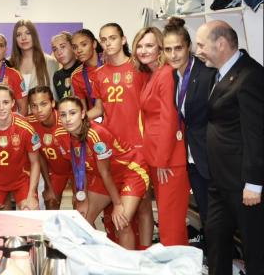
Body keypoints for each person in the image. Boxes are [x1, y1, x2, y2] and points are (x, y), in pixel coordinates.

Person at [195, 21, 263, 275]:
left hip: (244, 185)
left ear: (221, 44)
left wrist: (254, 184)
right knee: (216, 241)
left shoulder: (250, 76)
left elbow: (256, 134)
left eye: (201, 45)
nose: (198, 51)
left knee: (255, 249)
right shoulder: (218, 73)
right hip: (220, 182)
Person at [87, 23, 153, 247]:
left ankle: (145, 253)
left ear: (123, 40)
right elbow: (99, 109)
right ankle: (119, 254)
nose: (108, 43)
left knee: (144, 205)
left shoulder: (139, 68)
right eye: (104, 39)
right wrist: (75, 118)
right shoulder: (98, 74)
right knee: (118, 211)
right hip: (112, 149)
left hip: (138, 148)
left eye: (112, 38)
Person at [58, 96, 149, 250]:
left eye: (72, 113)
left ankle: (129, 263)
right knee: (83, 221)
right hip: (104, 176)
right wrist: (83, 198)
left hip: (131, 170)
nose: (68, 119)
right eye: (63, 115)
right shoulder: (62, 136)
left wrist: (117, 204)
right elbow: (80, 169)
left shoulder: (95, 134)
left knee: (121, 222)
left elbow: (105, 172)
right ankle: (97, 259)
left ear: (83, 114)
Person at [133, 26, 189, 246]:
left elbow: (169, 119)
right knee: (168, 222)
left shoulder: (166, 74)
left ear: (160, 49)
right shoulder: (152, 74)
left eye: (149, 45)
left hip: (169, 161)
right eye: (139, 45)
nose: (143, 50)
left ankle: (178, 263)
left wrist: (163, 160)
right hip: (158, 158)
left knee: (170, 224)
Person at [162, 17, 215, 244]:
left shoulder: (207, 73)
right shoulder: (175, 75)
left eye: (178, 48)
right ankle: (214, 258)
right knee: (207, 218)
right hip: (192, 159)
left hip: (213, 158)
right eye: (168, 49)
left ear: (188, 47)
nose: (173, 55)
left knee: (218, 220)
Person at [27, 86, 71, 210]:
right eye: (34, 106)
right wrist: (49, 186)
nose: (39, 110)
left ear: (52, 103)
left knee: (81, 206)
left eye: (43, 104)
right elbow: (39, 156)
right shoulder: (29, 123)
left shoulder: (67, 121)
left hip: (76, 170)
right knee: (51, 201)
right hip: (55, 171)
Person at [9, 20, 59, 99]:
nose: (23, 38)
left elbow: (54, 97)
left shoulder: (50, 62)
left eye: (28, 33)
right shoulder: (8, 63)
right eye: (18, 35)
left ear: (34, 36)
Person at [70, 29, 103, 111]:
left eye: (84, 45)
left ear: (94, 44)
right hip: (95, 117)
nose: (79, 50)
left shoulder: (110, 62)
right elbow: (82, 110)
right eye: (75, 47)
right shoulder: (76, 75)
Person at [51, 32, 81, 100]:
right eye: (55, 49)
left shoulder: (83, 69)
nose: (59, 52)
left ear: (73, 47)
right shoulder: (57, 76)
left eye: (63, 47)